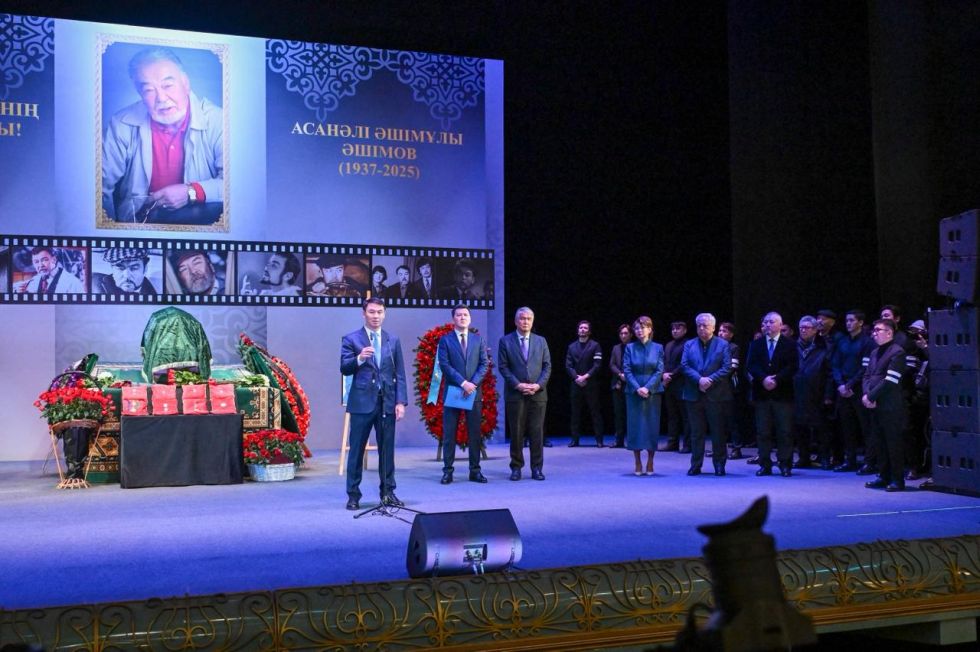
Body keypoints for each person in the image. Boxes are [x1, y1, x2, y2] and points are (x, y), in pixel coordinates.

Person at [102, 47, 223, 222]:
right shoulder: (121, 124)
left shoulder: (218, 121)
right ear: (140, 93)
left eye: (167, 86)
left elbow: (237, 185)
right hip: (139, 228)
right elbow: (98, 188)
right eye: (148, 90)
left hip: (202, 228)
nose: (161, 98)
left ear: (185, 83)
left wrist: (192, 191)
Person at [339, 298, 408, 510]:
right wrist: (359, 358)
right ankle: (353, 495)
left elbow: (400, 373)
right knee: (356, 450)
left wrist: (400, 402)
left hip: (386, 403)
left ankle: (388, 492)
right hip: (361, 403)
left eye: (379, 312)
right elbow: (345, 368)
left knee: (387, 450)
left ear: (384, 314)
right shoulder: (351, 339)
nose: (376, 316)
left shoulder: (392, 340)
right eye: (371, 312)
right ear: (364, 313)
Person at [437, 304, 491, 484]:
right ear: (453, 318)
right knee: (449, 434)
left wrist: (472, 383)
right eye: (459, 315)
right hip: (454, 390)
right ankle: (448, 471)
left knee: (474, 433)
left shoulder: (478, 340)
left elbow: (484, 364)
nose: (462, 317)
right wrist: (463, 383)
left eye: (465, 315)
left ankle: (475, 471)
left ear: (470, 318)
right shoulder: (445, 340)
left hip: (473, 391)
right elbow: (445, 365)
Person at [497, 306, 552, 481]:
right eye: (522, 318)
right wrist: (518, 385)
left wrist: (538, 385)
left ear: (532, 321)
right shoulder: (505, 341)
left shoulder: (541, 341)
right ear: (516, 321)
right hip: (515, 394)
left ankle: (537, 468)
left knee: (537, 433)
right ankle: (516, 467)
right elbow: (503, 367)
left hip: (538, 394)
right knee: (516, 433)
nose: (525, 321)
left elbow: (547, 366)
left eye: (528, 319)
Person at [747, 312, 798, 477]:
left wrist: (777, 379)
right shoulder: (756, 344)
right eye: (766, 322)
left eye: (772, 322)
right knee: (763, 432)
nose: (768, 325)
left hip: (783, 394)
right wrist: (763, 378)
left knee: (785, 431)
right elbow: (751, 365)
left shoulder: (790, 344)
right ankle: (765, 464)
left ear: (780, 325)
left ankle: (785, 464)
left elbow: (793, 366)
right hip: (762, 394)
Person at [680, 313, 732, 476]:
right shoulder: (689, 344)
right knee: (696, 432)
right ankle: (696, 464)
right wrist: (699, 380)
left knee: (718, 432)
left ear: (713, 328)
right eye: (699, 326)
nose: (702, 328)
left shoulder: (723, 344)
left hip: (716, 394)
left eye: (705, 325)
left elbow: (726, 367)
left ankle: (719, 464)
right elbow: (684, 365)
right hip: (693, 393)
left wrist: (709, 380)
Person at [862, 319, 908, 492]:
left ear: (889, 332)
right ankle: (883, 476)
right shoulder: (874, 352)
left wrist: (871, 396)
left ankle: (897, 480)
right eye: (873, 330)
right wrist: (866, 395)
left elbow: (891, 380)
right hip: (874, 405)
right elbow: (867, 375)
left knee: (893, 444)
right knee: (879, 442)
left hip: (890, 406)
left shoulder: (898, 352)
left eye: (878, 330)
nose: (874, 333)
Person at [831, 309, 874, 473]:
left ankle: (869, 462)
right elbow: (835, 364)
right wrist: (840, 384)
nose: (848, 323)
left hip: (859, 389)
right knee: (847, 427)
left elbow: (865, 368)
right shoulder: (842, 341)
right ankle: (850, 460)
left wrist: (849, 385)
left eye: (852, 320)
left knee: (866, 427)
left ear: (860, 322)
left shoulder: (868, 342)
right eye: (847, 320)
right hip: (843, 389)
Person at [622, 316, 664, 475]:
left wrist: (647, 388)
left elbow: (659, 370)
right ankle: (638, 461)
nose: (639, 331)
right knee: (635, 427)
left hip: (653, 391)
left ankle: (651, 461)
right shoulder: (630, 348)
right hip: (634, 391)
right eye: (637, 328)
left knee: (651, 426)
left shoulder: (658, 348)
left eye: (643, 327)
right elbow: (627, 370)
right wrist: (637, 388)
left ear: (650, 329)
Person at [793, 316, 834, 469]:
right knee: (799, 427)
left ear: (815, 330)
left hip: (817, 392)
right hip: (796, 392)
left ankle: (824, 458)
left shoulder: (824, 347)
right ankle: (803, 457)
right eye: (801, 327)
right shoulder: (792, 346)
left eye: (807, 327)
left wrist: (828, 395)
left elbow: (830, 373)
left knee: (821, 428)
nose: (803, 330)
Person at [565, 320, 604, 447]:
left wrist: (586, 377)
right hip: (576, 383)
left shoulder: (595, 345)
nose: (582, 329)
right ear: (578, 331)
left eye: (585, 328)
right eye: (580, 327)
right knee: (575, 413)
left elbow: (597, 365)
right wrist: (577, 377)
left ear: (589, 331)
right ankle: (574, 440)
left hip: (591, 384)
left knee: (595, 412)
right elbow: (568, 365)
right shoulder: (571, 347)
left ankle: (599, 440)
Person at [660, 321, 691, 452]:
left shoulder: (688, 344)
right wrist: (663, 374)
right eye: (673, 329)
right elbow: (663, 362)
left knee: (685, 416)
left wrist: (671, 375)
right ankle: (672, 443)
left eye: (678, 328)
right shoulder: (668, 345)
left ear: (685, 330)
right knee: (672, 416)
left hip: (682, 384)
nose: (675, 331)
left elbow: (685, 364)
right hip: (669, 385)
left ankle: (687, 445)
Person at [15, 246, 85, 294]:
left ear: (54, 260)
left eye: (44, 260)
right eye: (36, 262)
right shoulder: (33, 281)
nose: (40, 265)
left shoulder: (72, 282)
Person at [92, 247, 158, 295]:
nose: (127, 276)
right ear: (112, 268)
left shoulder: (153, 293)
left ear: (145, 269)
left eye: (134, 268)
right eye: (120, 268)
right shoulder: (94, 282)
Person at [608, 323, 632, 448]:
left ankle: (632, 441)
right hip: (617, 383)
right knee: (618, 414)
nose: (623, 335)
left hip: (632, 384)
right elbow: (612, 364)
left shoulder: (635, 347)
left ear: (631, 335)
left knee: (631, 414)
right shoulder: (616, 348)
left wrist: (627, 375)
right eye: (621, 333)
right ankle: (619, 440)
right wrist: (620, 374)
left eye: (626, 333)